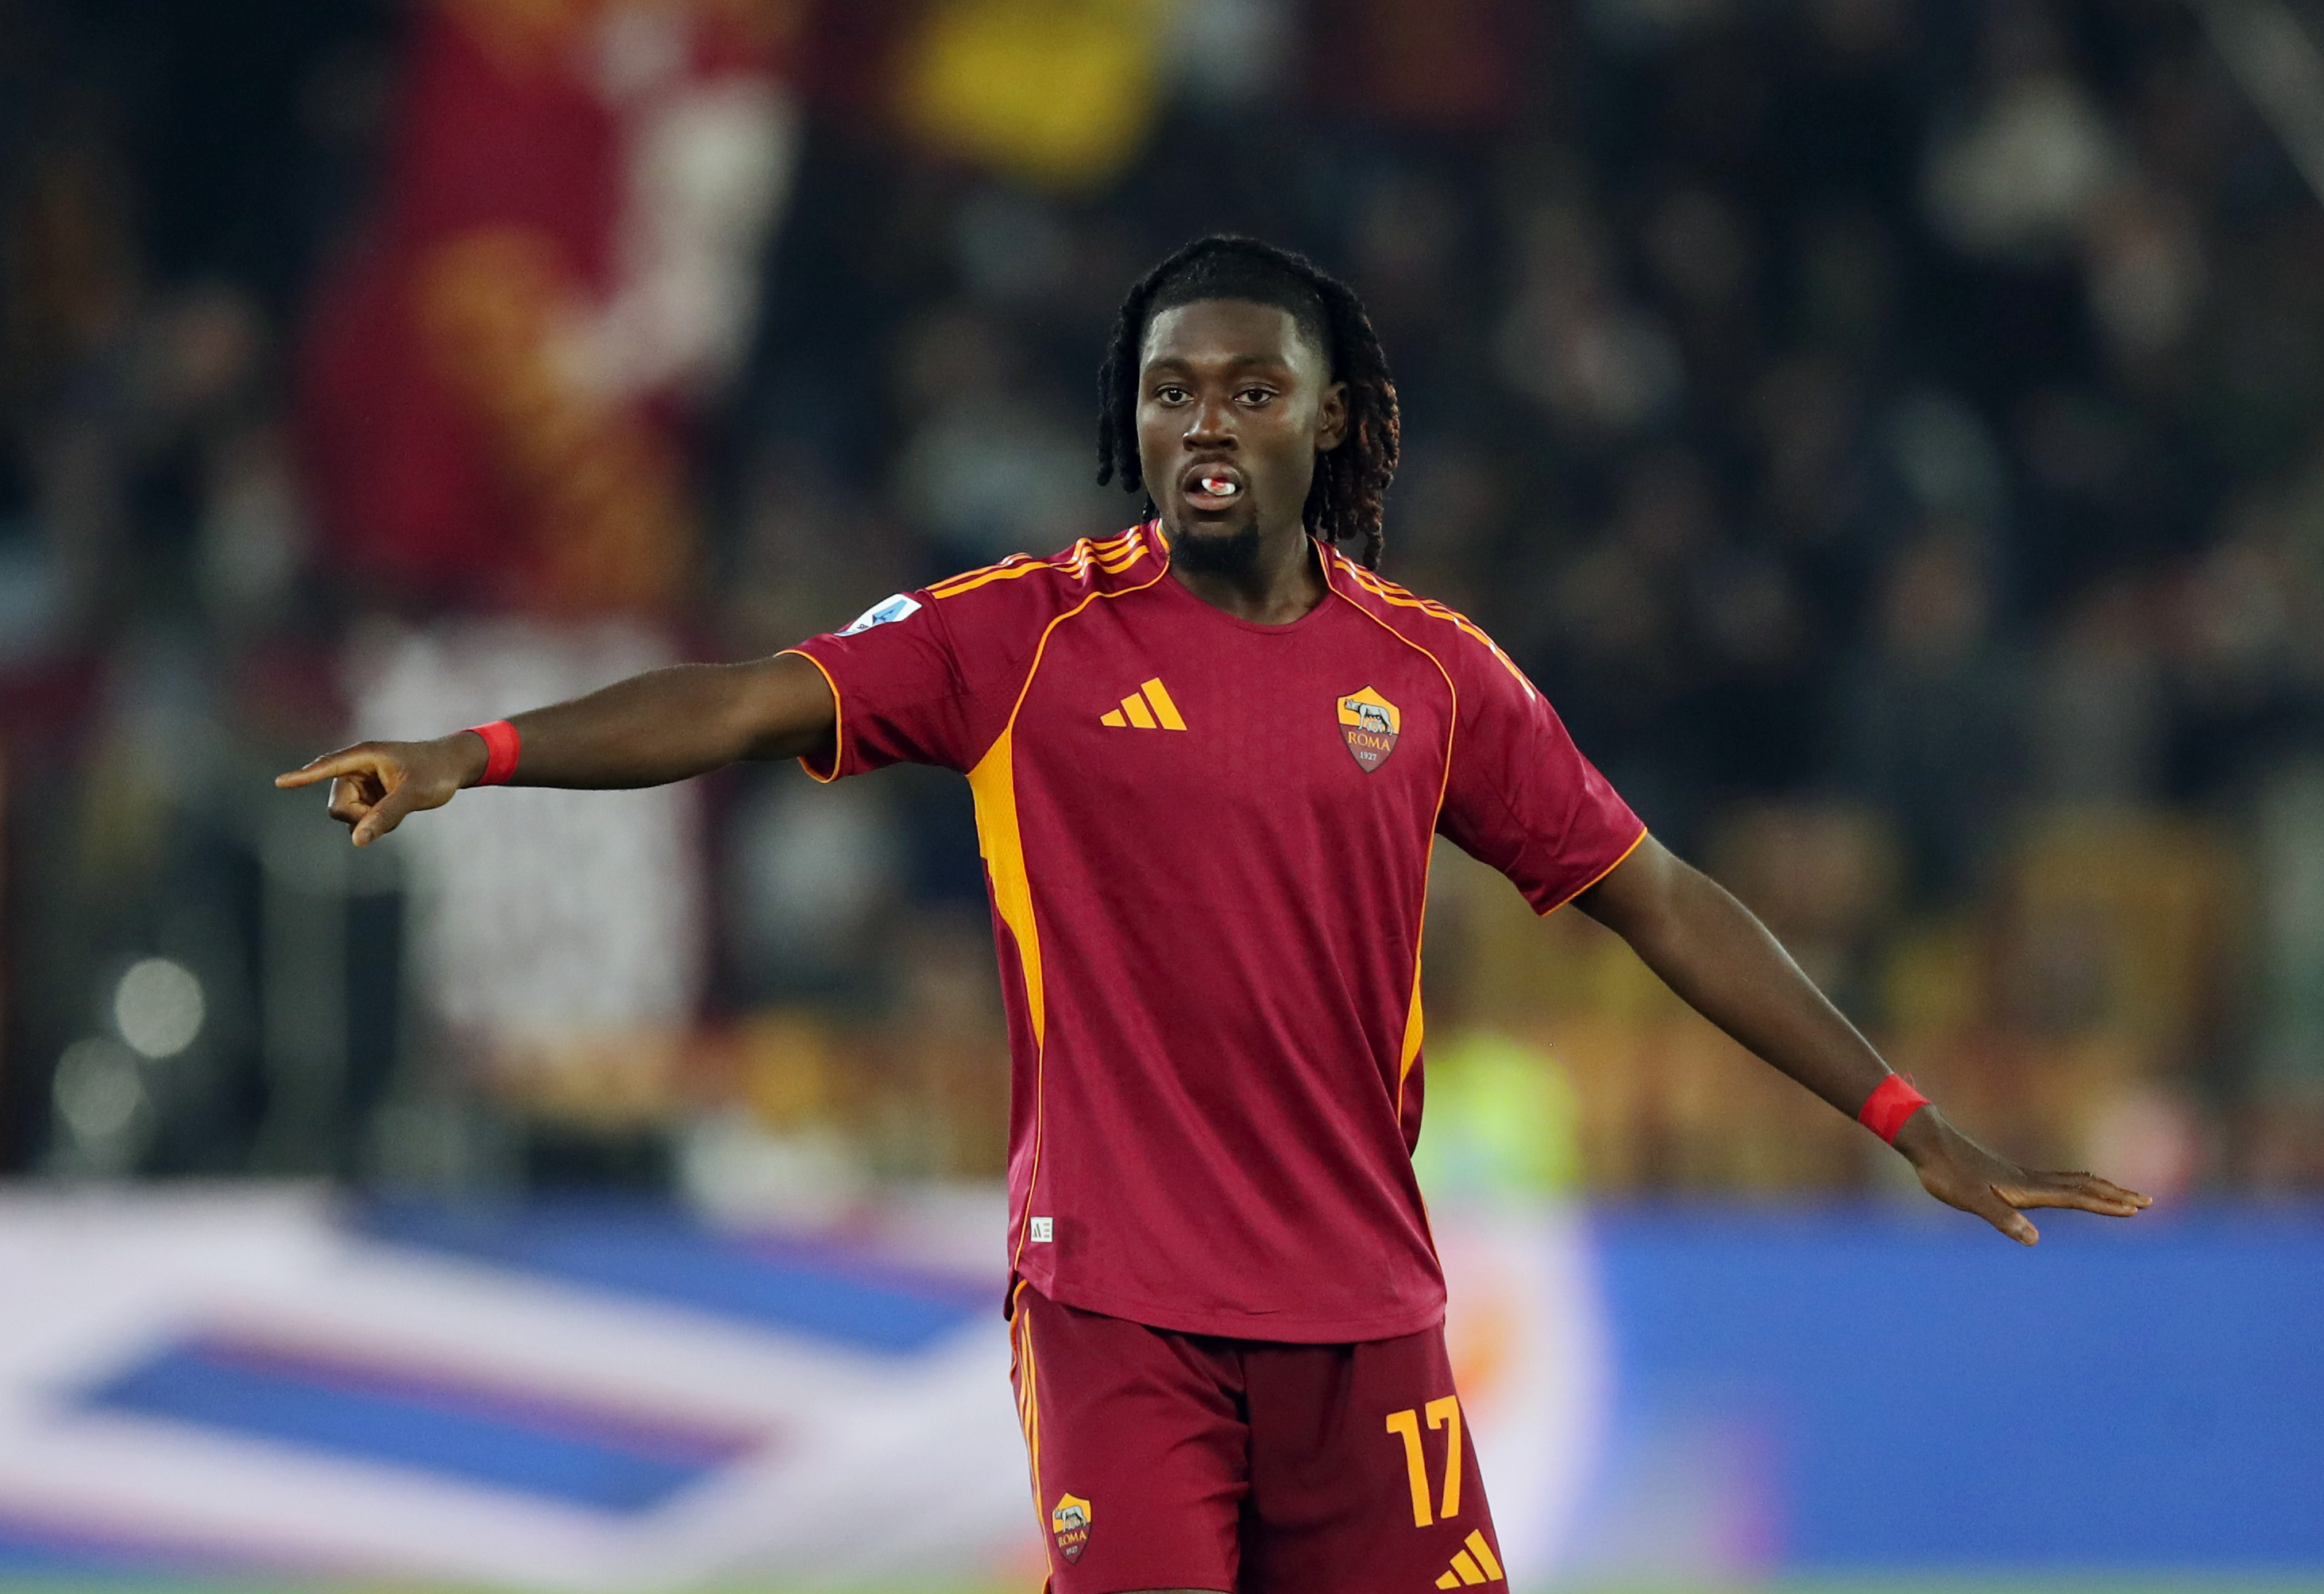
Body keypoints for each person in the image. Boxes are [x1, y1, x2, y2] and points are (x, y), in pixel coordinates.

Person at [280, 236, 2148, 1594]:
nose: (1206, 422)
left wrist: (1904, 1118)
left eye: (1253, 386)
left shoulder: (1432, 676)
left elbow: (1657, 899)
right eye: (1172, 387)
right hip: (1119, 1313)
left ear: (1334, 419)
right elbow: (751, 696)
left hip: (1366, 1322)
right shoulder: (1024, 637)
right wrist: (479, 750)